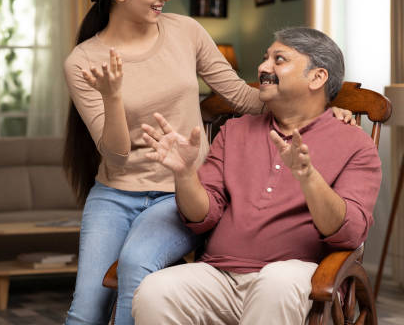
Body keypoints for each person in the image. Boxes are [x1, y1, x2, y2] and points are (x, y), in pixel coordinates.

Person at [62, 0, 353, 325]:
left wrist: (323, 111)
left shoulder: (186, 32)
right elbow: (114, 155)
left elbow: (241, 96)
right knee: (85, 312)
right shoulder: (84, 60)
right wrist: (113, 97)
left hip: (179, 194)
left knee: (135, 265)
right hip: (113, 195)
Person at [131, 27, 382, 324]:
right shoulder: (234, 131)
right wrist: (185, 175)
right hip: (220, 274)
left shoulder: (355, 144)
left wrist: (308, 178)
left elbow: (350, 232)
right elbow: (204, 216)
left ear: (317, 77)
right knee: (155, 290)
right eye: (265, 58)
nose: (263, 68)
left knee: (277, 281)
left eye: (279, 59)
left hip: (300, 278)